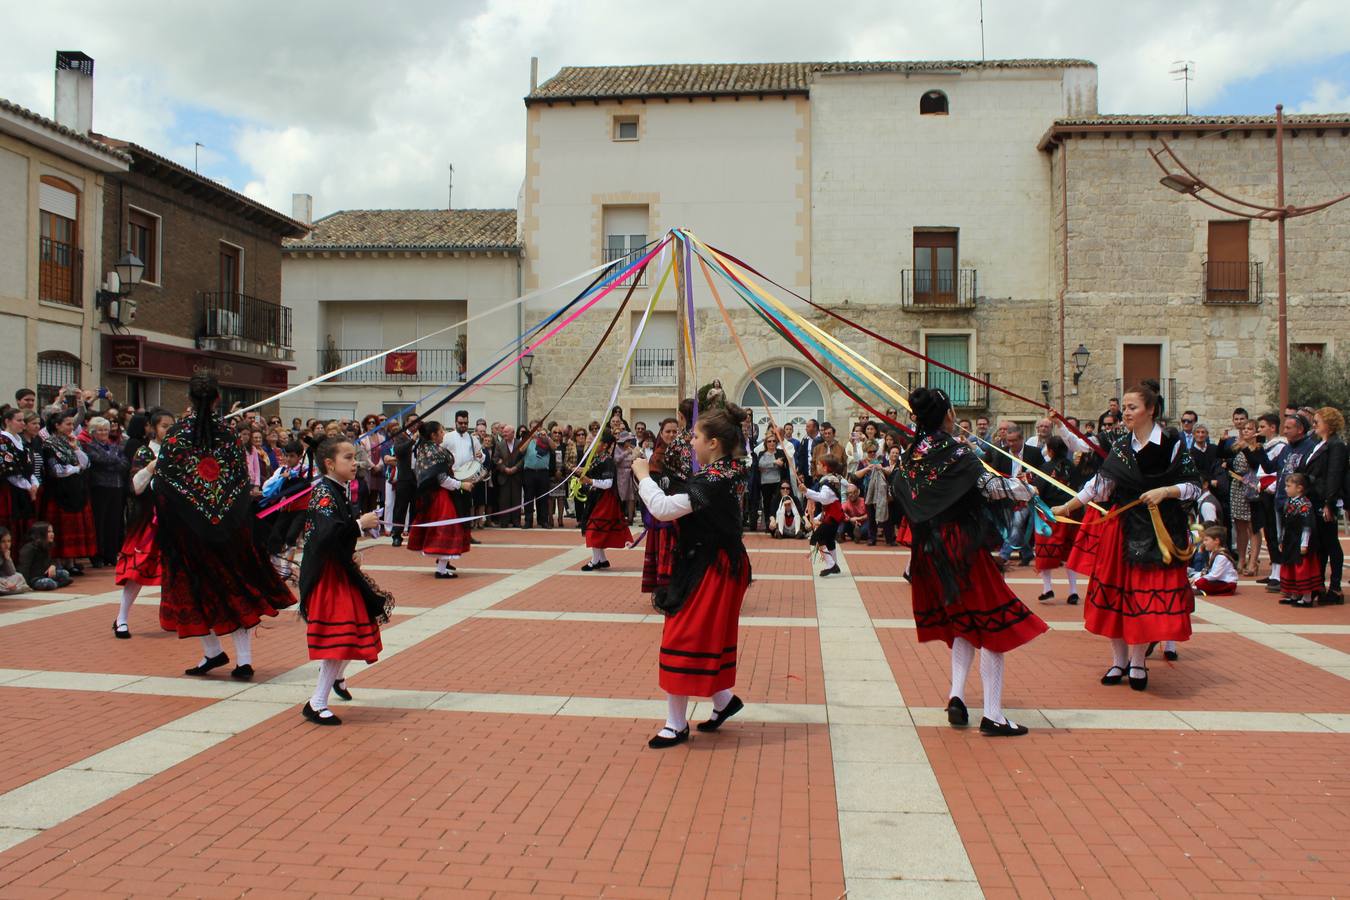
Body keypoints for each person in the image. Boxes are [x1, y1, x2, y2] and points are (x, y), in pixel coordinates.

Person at [895, 388, 1048, 736]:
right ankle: (993, 713)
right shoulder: (957, 451)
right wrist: (1026, 489)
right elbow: (989, 487)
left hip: (931, 550)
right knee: (994, 621)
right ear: (947, 414)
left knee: (965, 620)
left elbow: (905, 494)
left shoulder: (912, 454)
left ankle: (956, 696)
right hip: (961, 547)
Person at [1052, 380, 1200, 692]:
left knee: (1141, 600)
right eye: (1125, 407)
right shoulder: (1121, 445)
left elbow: (1193, 485)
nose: (1125, 413)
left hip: (1158, 531)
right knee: (1114, 597)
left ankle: (1137, 662)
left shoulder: (1172, 443)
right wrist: (1068, 506)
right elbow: (1100, 484)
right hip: (1121, 529)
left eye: (1132, 407)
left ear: (1150, 410)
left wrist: (1165, 490)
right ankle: (1118, 661)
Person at [154, 372, 296, 680]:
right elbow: (240, 484)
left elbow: (164, 485)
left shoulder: (177, 436)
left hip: (189, 533)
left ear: (189, 399)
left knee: (195, 591)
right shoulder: (229, 437)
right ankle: (236, 659)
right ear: (218, 399)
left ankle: (215, 652)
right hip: (228, 531)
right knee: (233, 589)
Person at [632, 403, 752, 749]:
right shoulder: (730, 469)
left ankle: (675, 724)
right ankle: (722, 701)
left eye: (697, 436)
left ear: (713, 442)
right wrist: (663, 477)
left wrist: (642, 475)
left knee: (682, 637)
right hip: (716, 563)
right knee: (702, 637)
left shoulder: (715, 479)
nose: (691, 441)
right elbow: (688, 489)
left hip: (710, 567)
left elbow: (664, 509)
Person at [298, 437, 393, 725]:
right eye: (349, 458)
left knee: (355, 627)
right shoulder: (325, 493)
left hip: (338, 569)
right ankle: (316, 702)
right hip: (329, 576)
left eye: (355, 457)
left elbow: (331, 535)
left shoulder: (337, 489)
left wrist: (351, 548)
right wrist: (358, 525)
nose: (356, 463)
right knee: (341, 636)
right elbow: (325, 535)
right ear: (330, 463)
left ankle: (335, 680)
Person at [112, 409, 173, 638]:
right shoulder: (144, 452)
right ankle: (122, 618)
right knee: (136, 570)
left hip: (173, 519)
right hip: (148, 521)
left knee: (175, 571)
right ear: (152, 428)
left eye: (171, 426)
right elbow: (136, 487)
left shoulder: (177, 454)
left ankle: (174, 617)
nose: (167, 430)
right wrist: (152, 466)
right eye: (164, 426)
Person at [408, 420, 473, 578]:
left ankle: (444, 563)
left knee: (441, 528)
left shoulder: (425, 449)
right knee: (447, 527)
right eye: (441, 431)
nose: (444, 434)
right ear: (433, 435)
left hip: (432, 496)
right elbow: (441, 479)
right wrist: (461, 485)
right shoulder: (434, 452)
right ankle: (442, 569)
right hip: (440, 496)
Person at [37, 410, 94, 575]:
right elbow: (56, 470)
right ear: (57, 425)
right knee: (60, 528)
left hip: (75, 489)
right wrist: (76, 468)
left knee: (73, 526)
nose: (71, 427)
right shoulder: (49, 444)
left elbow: (86, 463)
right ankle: (58, 561)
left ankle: (71, 561)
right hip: (58, 491)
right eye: (68, 424)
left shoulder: (72, 441)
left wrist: (76, 449)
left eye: (72, 424)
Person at [1298, 407, 1345, 604]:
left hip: (1324, 499)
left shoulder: (1336, 445)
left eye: (1317, 422)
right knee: (1319, 545)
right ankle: (1318, 584)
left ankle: (1335, 587)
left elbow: (1334, 475)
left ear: (1329, 424)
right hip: (1313, 497)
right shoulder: (1318, 444)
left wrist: (1329, 503)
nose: (1314, 425)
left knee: (1330, 542)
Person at [1032, 436, 1081, 604]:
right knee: (1069, 553)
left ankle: (1047, 588)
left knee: (1045, 551)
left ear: (1051, 450)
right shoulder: (1073, 467)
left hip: (1049, 515)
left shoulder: (1045, 468)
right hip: (1069, 514)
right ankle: (1073, 591)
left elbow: (1039, 491)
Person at [576, 431, 632, 571]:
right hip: (597, 498)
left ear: (605, 445)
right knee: (596, 528)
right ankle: (602, 559)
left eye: (598, 442)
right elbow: (593, 471)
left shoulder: (608, 461)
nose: (594, 444)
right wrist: (581, 471)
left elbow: (607, 483)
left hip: (605, 500)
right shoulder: (598, 459)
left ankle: (595, 561)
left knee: (595, 529)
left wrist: (589, 480)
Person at [641, 418, 681, 594]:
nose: (672, 435)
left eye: (675, 431)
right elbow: (651, 481)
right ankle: (664, 586)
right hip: (664, 509)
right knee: (664, 546)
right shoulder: (658, 454)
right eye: (668, 432)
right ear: (661, 433)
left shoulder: (683, 451)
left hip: (680, 507)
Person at [83, 416, 128, 569]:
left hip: (116, 486)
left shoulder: (116, 446)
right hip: (99, 487)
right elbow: (99, 460)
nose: (103, 433)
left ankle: (111, 553)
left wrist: (111, 460)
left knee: (114, 522)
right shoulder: (90, 446)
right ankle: (98, 555)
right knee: (99, 522)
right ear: (93, 432)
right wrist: (113, 460)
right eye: (100, 430)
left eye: (106, 430)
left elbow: (124, 464)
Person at [1278, 473, 1322, 607]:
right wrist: (1282, 540)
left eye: (1288, 486)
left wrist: (1304, 543)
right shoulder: (1289, 502)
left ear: (1299, 488)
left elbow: (1307, 525)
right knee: (1290, 565)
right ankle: (1294, 594)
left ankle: (1307, 597)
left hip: (1300, 539)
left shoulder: (1305, 504)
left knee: (1302, 567)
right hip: (1290, 539)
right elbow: (1285, 523)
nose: (1286, 488)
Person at [799, 456, 845, 577]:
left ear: (826, 468)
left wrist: (806, 491)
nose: (817, 467)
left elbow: (823, 499)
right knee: (829, 540)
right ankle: (834, 564)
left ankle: (831, 564)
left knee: (815, 538)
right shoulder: (833, 479)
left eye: (819, 465)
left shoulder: (827, 483)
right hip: (833, 515)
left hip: (832, 517)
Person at [1229, 420, 1262, 576]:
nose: (1246, 431)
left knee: (1252, 526)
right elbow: (1222, 455)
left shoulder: (1258, 448)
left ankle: (1253, 561)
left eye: (1250, 429)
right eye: (1244, 429)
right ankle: (1241, 559)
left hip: (1251, 488)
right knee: (1239, 525)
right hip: (1237, 487)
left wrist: (1246, 447)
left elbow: (1257, 464)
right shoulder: (1237, 447)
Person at [0, 406, 38, 543]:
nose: (23, 423)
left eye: (23, 420)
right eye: (19, 420)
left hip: (25, 489)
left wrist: (34, 484)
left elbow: (29, 467)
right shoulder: (3, 440)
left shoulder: (21, 441)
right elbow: (9, 469)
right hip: (10, 490)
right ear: (7, 421)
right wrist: (28, 486)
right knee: (13, 523)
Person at [386, 417, 419, 545]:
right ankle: (397, 535)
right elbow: (399, 451)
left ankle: (415, 534)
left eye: (417, 421)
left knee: (416, 507)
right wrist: (412, 440)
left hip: (417, 476)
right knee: (400, 507)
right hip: (404, 476)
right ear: (406, 423)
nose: (414, 424)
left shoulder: (422, 436)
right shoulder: (401, 435)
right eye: (411, 421)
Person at [17, 522, 70, 590]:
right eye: (48, 532)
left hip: (44, 575)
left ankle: (56, 583)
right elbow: (23, 568)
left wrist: (52, 566)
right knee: (49, 583)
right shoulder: (29, 548)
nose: (52, 534)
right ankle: (56, 583)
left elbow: (50, 561)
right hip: (33, 579)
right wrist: (25, 585)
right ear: (40, 534)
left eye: (52, 531)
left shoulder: (45, 545)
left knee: (65, 574)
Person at [753, 433, 789, 533]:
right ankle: (769, 525)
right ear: (766, 443)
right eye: (769, 441)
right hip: (765, 482)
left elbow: (781, 464)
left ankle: (779, 524)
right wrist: (773, 463)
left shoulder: (780, 452)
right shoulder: (761, 454)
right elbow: (760, 465)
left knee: (778, 502)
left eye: (774, 441)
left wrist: (768, 465)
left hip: (778, 482)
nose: (772, 443)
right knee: (767, 503)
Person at [522, 426, 556, 528]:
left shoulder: (546, 441)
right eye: (535, 430)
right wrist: (530, 438)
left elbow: (554, 448)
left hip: (543, 472)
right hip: (529, 472)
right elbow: (521, 450)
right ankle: (528, 521)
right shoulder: (529, 440)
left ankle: (543, 521)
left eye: (540, 430)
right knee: (528, 497)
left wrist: (547, 438)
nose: (538, 433)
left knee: (543, 497)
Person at [1190, 526, 1238, 596]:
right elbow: (1207, 570)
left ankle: (1201, 590)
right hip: (1218, 581)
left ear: (1216, 541)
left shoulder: (1221, 556)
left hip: (1227, 584)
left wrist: (1197, 579)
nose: (1204, 543)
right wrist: (1194, 577)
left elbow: (1215, 575)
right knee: (1196, 578)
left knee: (1201, 582)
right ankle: (1199, 588)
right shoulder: (1213, 553)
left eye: (1206, 540)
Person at [614, 431, 638, 525]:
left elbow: (639, 456)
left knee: (631, 497)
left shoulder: (631, 448)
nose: (629, 442)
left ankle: (630, 518)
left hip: (631, 473)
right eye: (628, 440)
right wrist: (626, 453)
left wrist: (636, 453)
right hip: (621, 474)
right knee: (621, 496)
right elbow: (616, 460)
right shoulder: (617, 449)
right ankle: (620, 517)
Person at [0, 527, 28, 595]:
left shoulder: (5, 553)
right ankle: (17, 589)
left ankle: (9, 590)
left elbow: (12, 572)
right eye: (3, 541)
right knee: (22, 586)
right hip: (2, 581)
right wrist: (6, 582)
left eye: (9, 541)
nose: (7, 544)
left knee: (19, 576)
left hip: (3, 581)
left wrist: (8, 559)